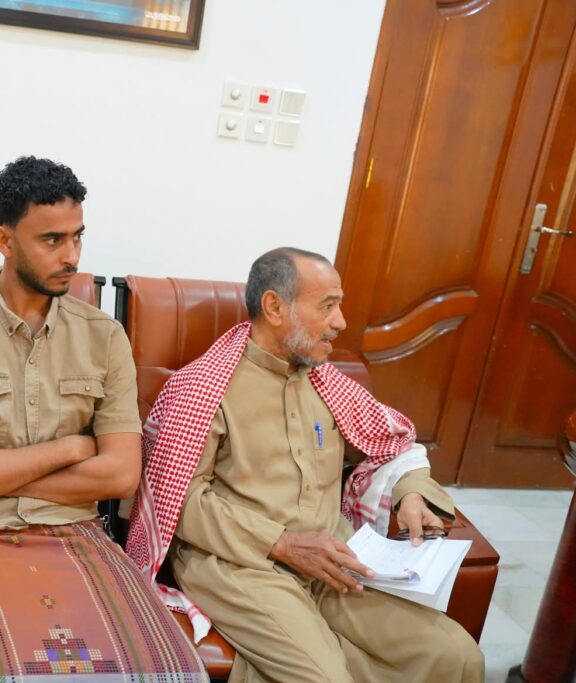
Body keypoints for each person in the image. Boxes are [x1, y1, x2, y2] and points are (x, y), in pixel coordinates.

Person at [0, 156, 206, 682]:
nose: (71, 257)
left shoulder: (104, 337)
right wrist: (70, 449)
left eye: (77, 237)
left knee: (170, 674)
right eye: (51, 240)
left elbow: (120, 475)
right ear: (4, 240)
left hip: (76, 532)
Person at [125, 247, 484, 683]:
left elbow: (391, 443)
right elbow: (178, 503)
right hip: (240, 564)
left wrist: (410, 493)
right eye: (327, 306)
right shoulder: (200, 389)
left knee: (457, 657)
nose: (341, 322)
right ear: (275, 307)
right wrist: (281, 543)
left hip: (334, 559)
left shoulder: (328, 383)